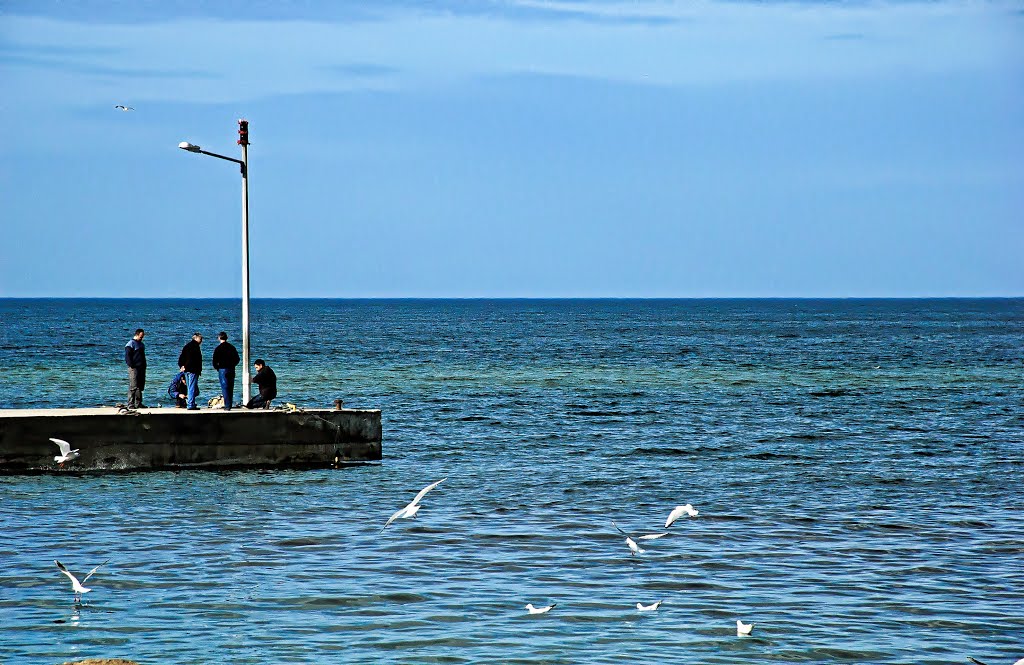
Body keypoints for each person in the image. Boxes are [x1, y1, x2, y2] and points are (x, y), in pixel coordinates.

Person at [212, 331, 240, 410]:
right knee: (231, 387)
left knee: (225, 387)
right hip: (231, 369)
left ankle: (227, 405)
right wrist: (233, 365)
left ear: (219, 338)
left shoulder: (218, 348)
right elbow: (237, 359)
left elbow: (214, 360)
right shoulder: (232, 347)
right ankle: (229, 404)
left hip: (222, 369)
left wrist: (217, 367)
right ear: (226, 338)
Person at [177, 332, 203, 410]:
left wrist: (181, 366)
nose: (201, 341)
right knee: (192, 387)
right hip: (193, 370)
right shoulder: (195, 347)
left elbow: (181, 357)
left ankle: (191, 403)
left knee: (189, 387)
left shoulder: (187, 346)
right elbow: (193, 359)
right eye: (200, 339)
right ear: (196, 338)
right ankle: (191, 404)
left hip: (186, 370)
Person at [124, 328, 146, 408]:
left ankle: (138, 403)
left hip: (141, 367)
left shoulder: (141, 344)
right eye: (141, 336)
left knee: (140, 386)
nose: (142, 338)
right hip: (134, 368)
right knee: (133, 386)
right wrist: (131, 365)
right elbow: (128, 356)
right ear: (136, 335)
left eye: (142, 336)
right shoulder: (131, 344)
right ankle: (130, 403)